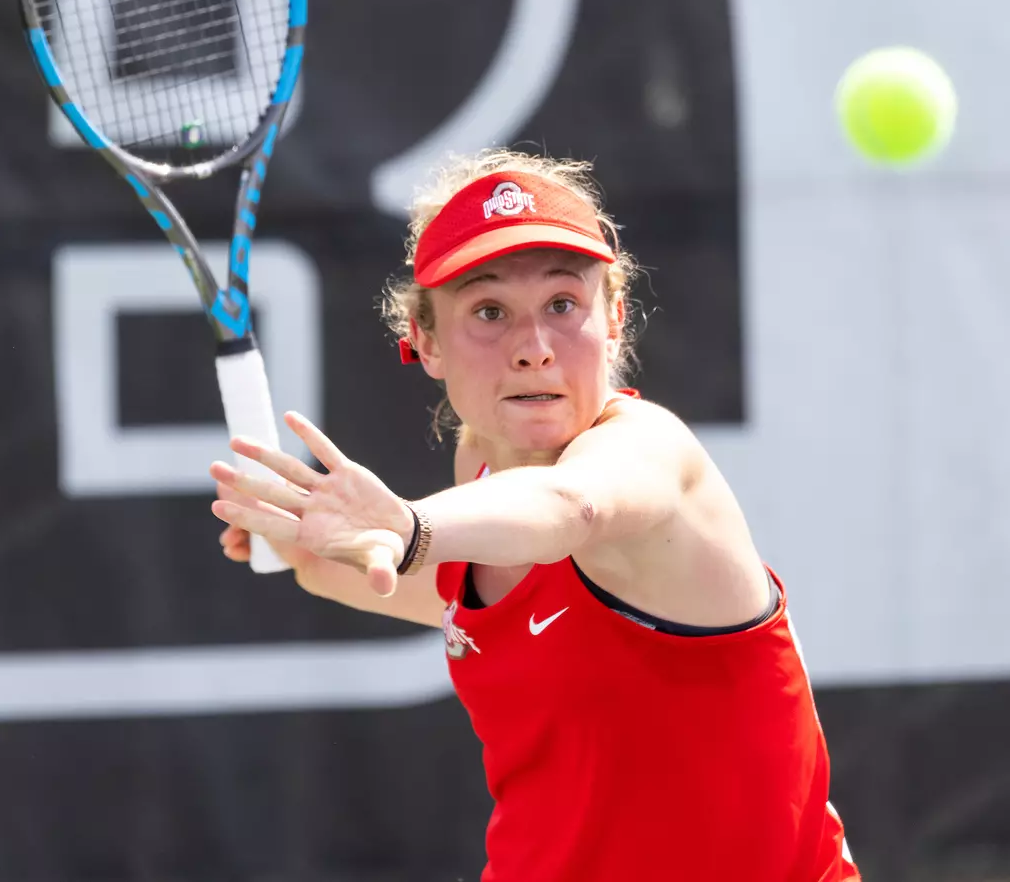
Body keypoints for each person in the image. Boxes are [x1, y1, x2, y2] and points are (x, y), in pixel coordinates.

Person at [211, 149, 859, 881]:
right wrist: (309, 551)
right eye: (489, 312)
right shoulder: (478, 467)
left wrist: (409, 528)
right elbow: (478, 601)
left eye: (562, 305)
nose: (533, 349)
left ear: (612, 319)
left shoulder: (648, 452)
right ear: (424, 340)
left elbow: (568, 508)